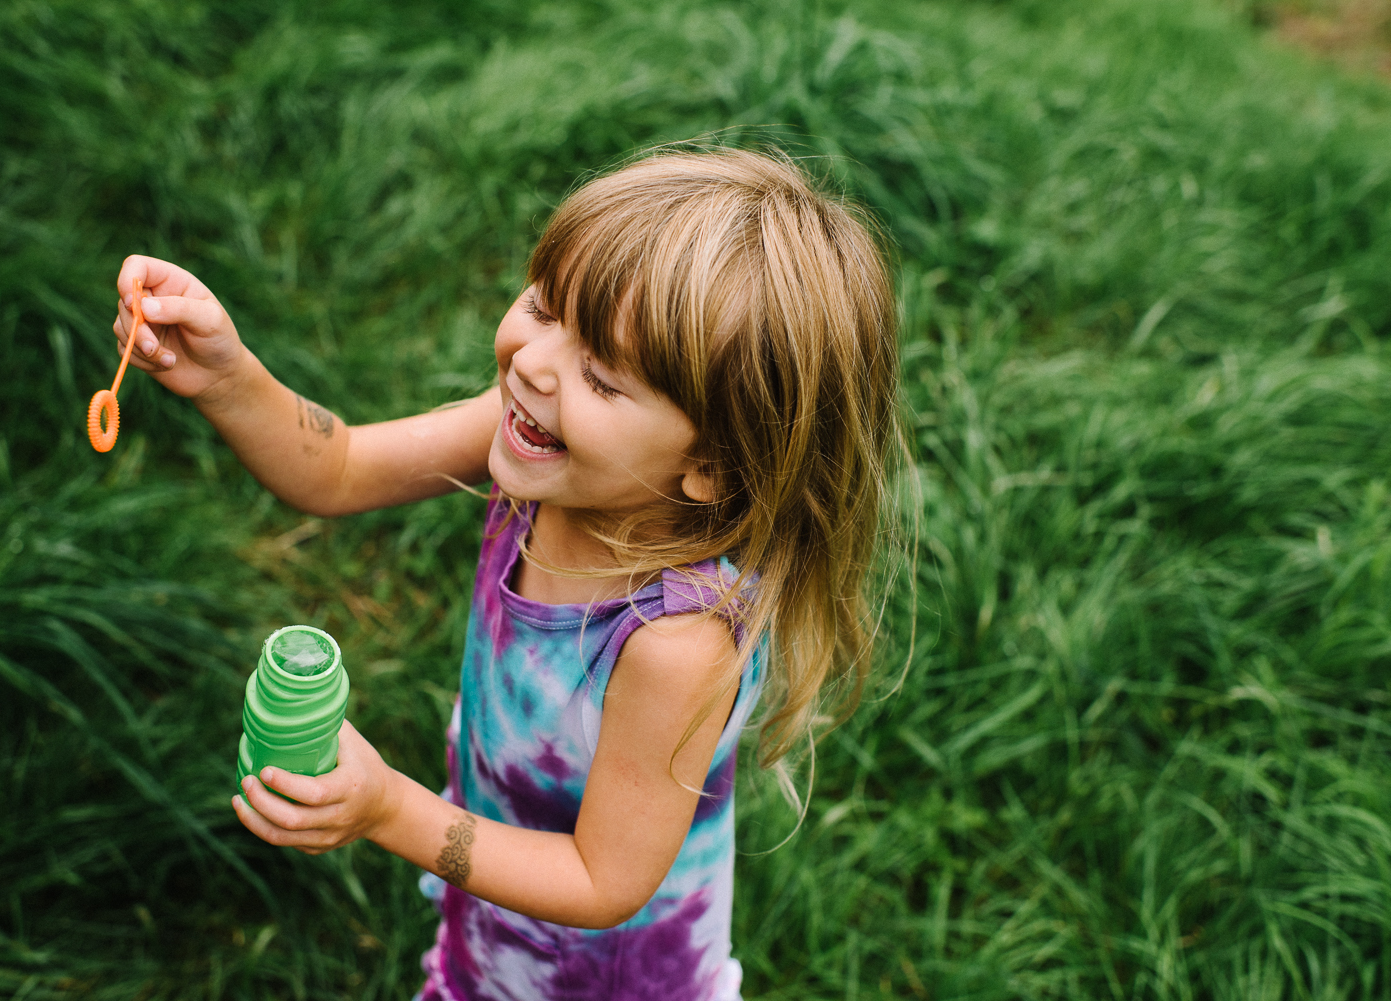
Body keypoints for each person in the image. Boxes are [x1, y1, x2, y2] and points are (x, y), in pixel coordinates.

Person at [109, 146, 903, 1001]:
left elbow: (605, 880)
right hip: (493, 944)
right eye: (542, 305)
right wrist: (228, 377)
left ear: (710, 464)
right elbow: (333, 469)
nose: (532, 361)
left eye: (599, 375)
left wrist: (388, 809)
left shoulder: (680, 641)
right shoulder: (541, 439)